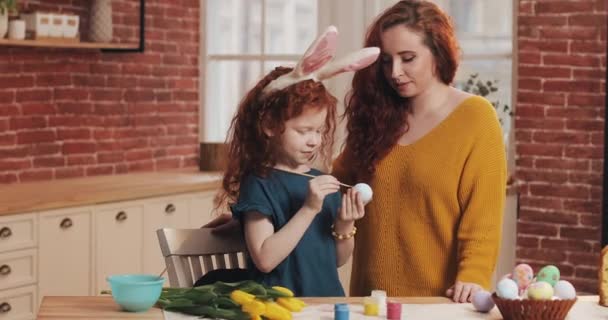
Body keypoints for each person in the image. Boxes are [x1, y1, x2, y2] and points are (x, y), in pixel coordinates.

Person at [331, 0, 507, 302]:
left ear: (437, 52)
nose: (395, 72)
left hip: (441, 302)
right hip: (370, 303)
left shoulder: (476, 118)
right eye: (386, 61)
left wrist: (473, 277)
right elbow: (329, 185)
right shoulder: (377, 119)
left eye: (408, 58)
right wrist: (257, 212)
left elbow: (484, 220)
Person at [216, 26, 379, 297]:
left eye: (318, 131)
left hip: (325, 305)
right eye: (303, 131)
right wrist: (309, 208)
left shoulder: (318, 179)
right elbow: (265, 259)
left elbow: (337, 260)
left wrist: (344, 225)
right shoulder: (259, 183)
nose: (314, 141)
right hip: (281, 308)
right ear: (269, 125)